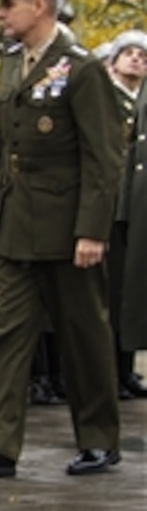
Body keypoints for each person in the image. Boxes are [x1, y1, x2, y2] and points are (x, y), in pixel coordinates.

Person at [0, 0, 123, 478]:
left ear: (39, 6)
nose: (1, 13)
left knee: (84, 335)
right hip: (18, 224)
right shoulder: (12, 63)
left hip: (68, 229)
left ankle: (98, 439)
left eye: (10, 3)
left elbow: (103, 157)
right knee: (8, 337)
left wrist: (92, 229)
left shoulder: (82, 69)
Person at [108, 30, 147, 399]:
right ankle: (111, 371)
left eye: (142, 55)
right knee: (112, 291)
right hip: (111, 206)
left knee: (131, 291)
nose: (136, 59)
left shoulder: (142, 101)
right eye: (129, 53)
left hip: (137, 206)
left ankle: (126, 368)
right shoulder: (106, 99)